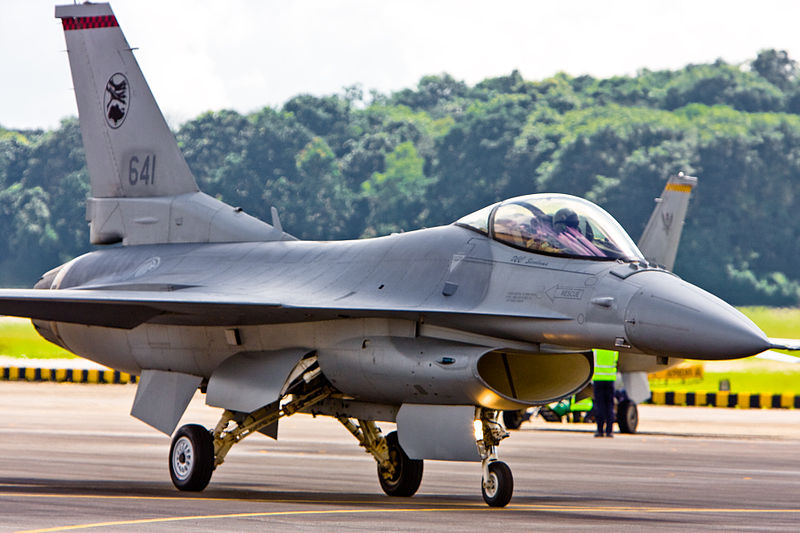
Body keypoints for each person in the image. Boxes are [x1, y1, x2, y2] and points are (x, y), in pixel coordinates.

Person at [592, 348, 619, 437]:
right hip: (610, 380)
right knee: (609, 406)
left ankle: (600, 431)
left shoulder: (595, 349)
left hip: (598, 379)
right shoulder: (614, 351)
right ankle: (609, 431)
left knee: (600, 406)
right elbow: (617, 362)